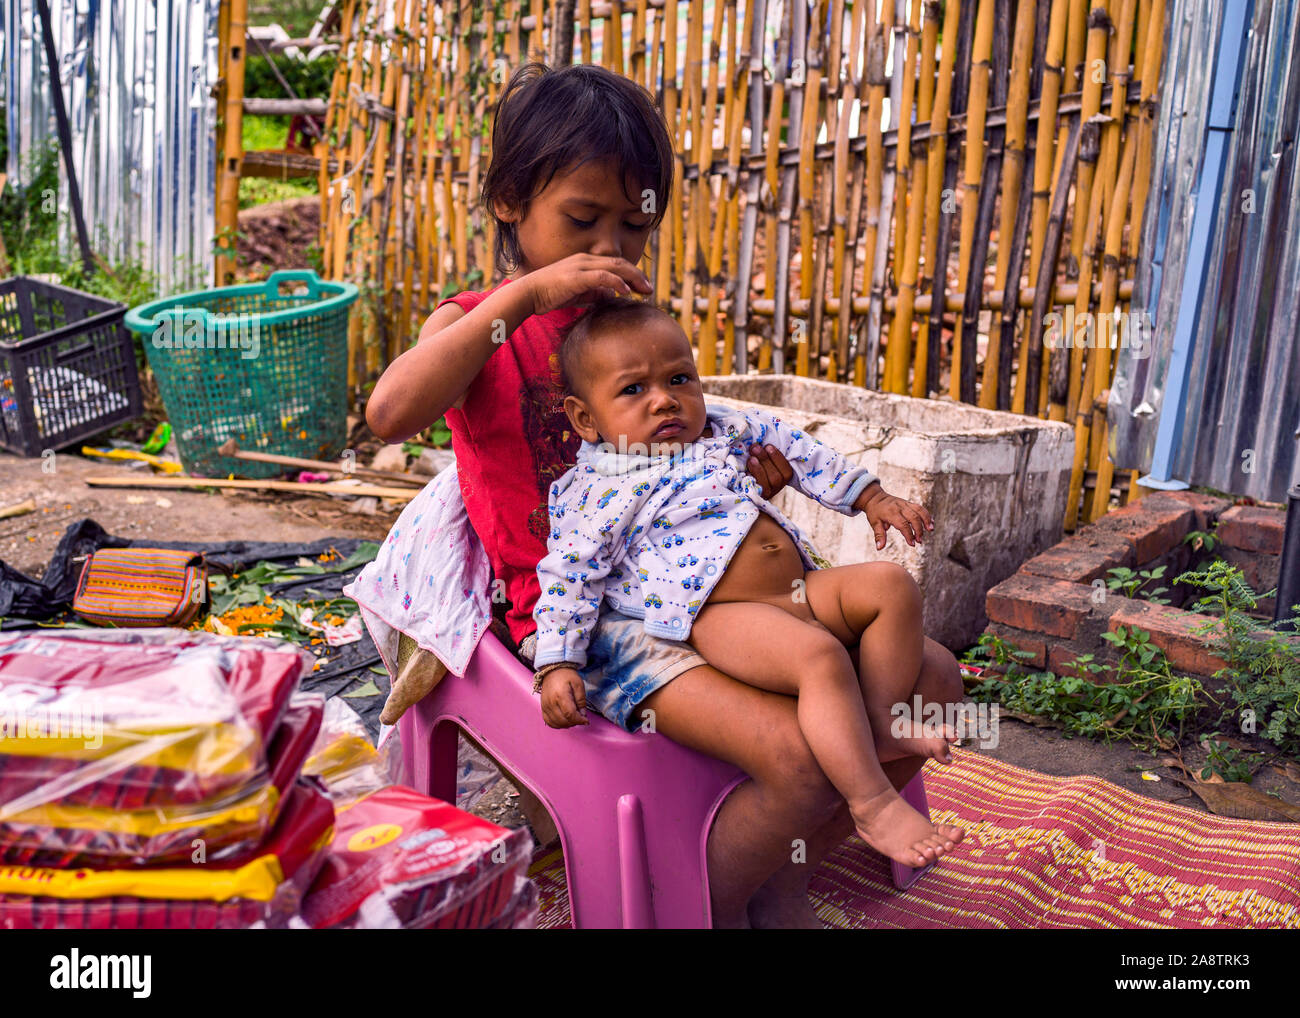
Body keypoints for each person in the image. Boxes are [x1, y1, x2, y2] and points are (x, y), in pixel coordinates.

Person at [365, 60, 968, 928]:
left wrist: (749, 483)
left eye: (630, 226)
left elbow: (699, 453)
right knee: (800, 756)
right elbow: (390, 412)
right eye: (582, 221)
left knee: (935, 682)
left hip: (702, 592)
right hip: (584, 620)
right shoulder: (479, 324)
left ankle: (778, 874)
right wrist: (527, 295)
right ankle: (695, 908)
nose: (608, 250)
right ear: (508, 202)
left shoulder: (625, 332)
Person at [529, 298, 964, 869]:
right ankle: (873, 801)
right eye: (633, 390)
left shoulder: (726, 429)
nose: (664, 399)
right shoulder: (600, 490)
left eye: (679, 378)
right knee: (820, 657)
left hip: (799, 590)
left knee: (891, 586)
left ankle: (882, 724)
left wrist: (872, 498)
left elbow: (804, 454)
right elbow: (569, 577)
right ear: (586, 419)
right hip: (721, 615)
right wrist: (558, 661)